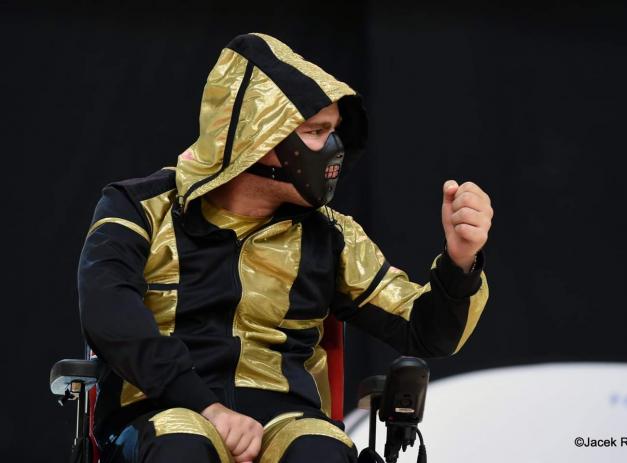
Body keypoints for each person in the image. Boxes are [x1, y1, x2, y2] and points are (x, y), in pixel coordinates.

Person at [78, 33, 493, 463]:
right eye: (316, 132)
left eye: (334, 132)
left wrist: (461, 261)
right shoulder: (137, 207)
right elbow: (108, 313)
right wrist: (207, 407)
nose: (334, 148)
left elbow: (426, 333)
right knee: (180, 445)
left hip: (287, 418)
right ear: (254, 138)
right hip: (161, 411)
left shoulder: (332, 235)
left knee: (321, 451)